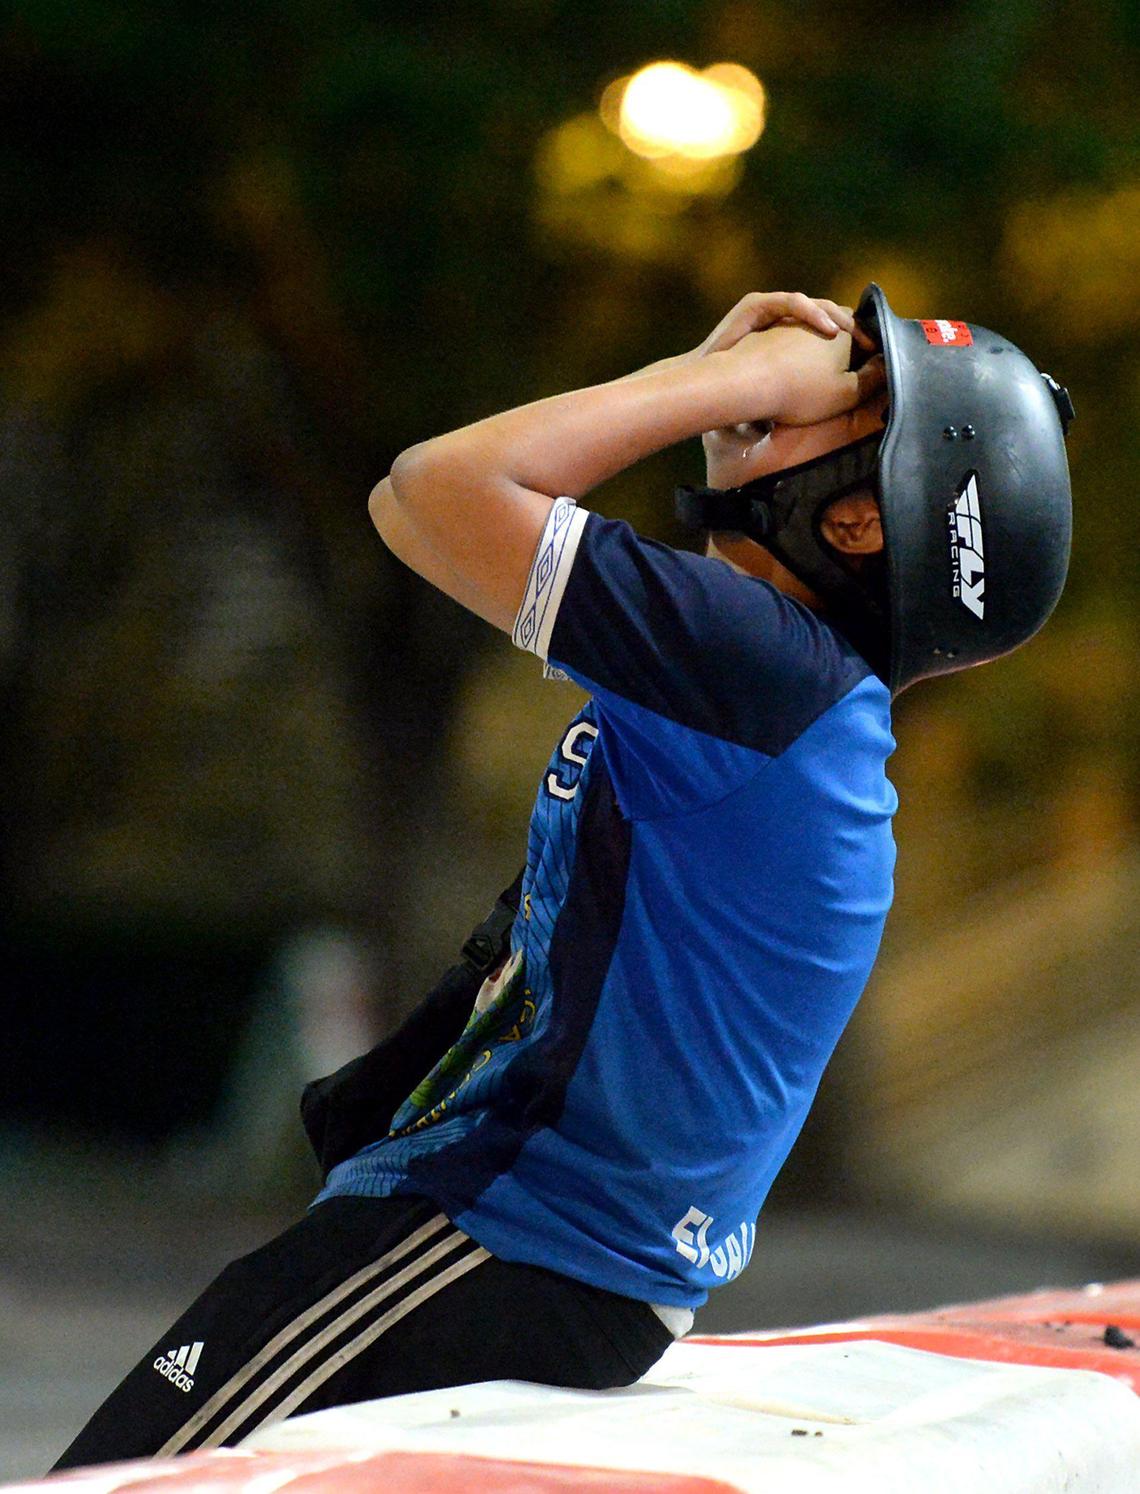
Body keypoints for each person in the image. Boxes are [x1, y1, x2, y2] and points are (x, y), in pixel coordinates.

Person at [54, 286, 1073, 1468]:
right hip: (549, 1262)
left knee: (126, 1475)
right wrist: (714, 377)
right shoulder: (784, 692)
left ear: (856, 524)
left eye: (852, 396)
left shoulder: (758, 672)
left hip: (510, 1238)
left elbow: (438, 486)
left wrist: (731, 384)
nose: (804, 370)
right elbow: (409, 506)